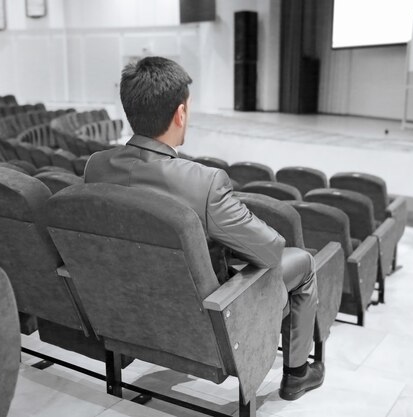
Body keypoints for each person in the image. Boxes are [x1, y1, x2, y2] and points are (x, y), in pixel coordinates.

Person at [84, 56, 323, 401]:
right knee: (301, 261)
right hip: (206, 314)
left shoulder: (96, 167)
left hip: (131, 304)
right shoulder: (204, 183)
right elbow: (271, 251)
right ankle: (298, 374)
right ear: (180, 113)